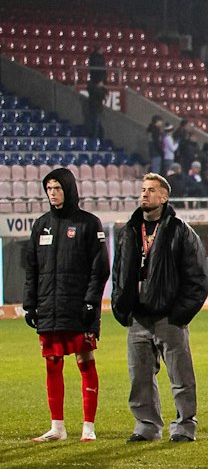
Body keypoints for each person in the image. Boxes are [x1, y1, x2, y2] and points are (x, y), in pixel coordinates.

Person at [111, 173, 208, 442]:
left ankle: (184, 427)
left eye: (152, 190)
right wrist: (121, 307)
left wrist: (180, 313)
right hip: (138, 317)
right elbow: (118, 273)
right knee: (139, 378)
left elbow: (199, 277)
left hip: (169, 318)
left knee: (181, 377)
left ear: (164, 197)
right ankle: (146, 427)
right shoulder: (129, 231)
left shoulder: (180, 231)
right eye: (143, 189)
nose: (145, 194)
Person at [22, 168, 110, 443]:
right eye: (49, 189)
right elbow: (32, 269)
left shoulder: (89, 223)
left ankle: (88, 427)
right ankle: (57, 427)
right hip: (50, 308)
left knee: (85, 362)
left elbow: (100, 269)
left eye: (57, 188)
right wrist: (30, 304)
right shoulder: (41, 225)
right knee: (52, 363)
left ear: (69, 189)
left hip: (78, 307)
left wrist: (90, 302)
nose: (52, 193)